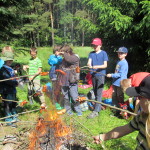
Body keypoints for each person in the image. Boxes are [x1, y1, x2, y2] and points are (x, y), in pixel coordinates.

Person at [93, 75, 150, 150]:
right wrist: (102, 137)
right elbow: (123, 130)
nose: (138, 101)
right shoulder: (142, 117)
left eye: (140, 97)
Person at [57, 45, 82, 116]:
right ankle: (68, 110)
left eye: (63, 53)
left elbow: (69, 59)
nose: (62, 55)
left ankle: (78, 110)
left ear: (68, 52)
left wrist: (63, 54)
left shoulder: (75, 57)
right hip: (64, 81)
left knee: (74, 97)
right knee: (66, 97)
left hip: (72, 80)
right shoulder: (64, 59)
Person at [87, 38, 108, 119]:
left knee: (99, 93)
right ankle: (98, 106)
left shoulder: (103, 53)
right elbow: (89, 62)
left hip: (101, 75)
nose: (94, 47)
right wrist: (89, 64)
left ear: (100, 45)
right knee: (95, 91)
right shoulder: (91, 54)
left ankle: (96, 111)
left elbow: (105, 65)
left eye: (96, 45)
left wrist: (97, 66)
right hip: (93, 75)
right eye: (93, 45)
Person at [107, 47, 128, 116]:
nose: (119, 54)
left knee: (120, 97)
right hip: (115, 82)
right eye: (118, 53)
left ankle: (121, 112)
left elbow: (120, 74)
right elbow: (117, 72)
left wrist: (111, 75)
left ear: (125, 54)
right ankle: (115, 110)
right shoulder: (119, 61)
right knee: (114, 96)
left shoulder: (124, 63)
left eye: (121, 53)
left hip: (120, 83)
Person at [0, 51, 18, 127]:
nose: (10, 61)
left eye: (11, 60)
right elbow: (7, 79)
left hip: (12, 89)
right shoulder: (3, 69)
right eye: (9, 60)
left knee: (13, 103)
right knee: (7, 104)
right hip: (6, 90)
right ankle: (8, 120)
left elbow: (12, 78)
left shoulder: (10, 68)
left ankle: (14, 116)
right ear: (5, 60)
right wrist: (15, 83)